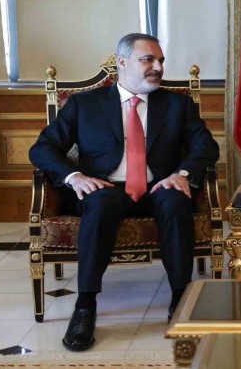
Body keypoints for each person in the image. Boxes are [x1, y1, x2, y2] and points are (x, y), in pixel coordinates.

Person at [29, 33, 219, 352]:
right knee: (99, 203)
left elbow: (206, 147)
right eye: (148, 60)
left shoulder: (177, 104)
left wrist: (182, 174)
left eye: (160, 61)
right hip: (106, 187)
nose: (158, 67)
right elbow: (42, 148)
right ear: (122, 63)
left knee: (176, 201)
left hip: (159, 185)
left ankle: (181, 298)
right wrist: (74, 177)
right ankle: (85, 305)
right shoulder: (84, 104)